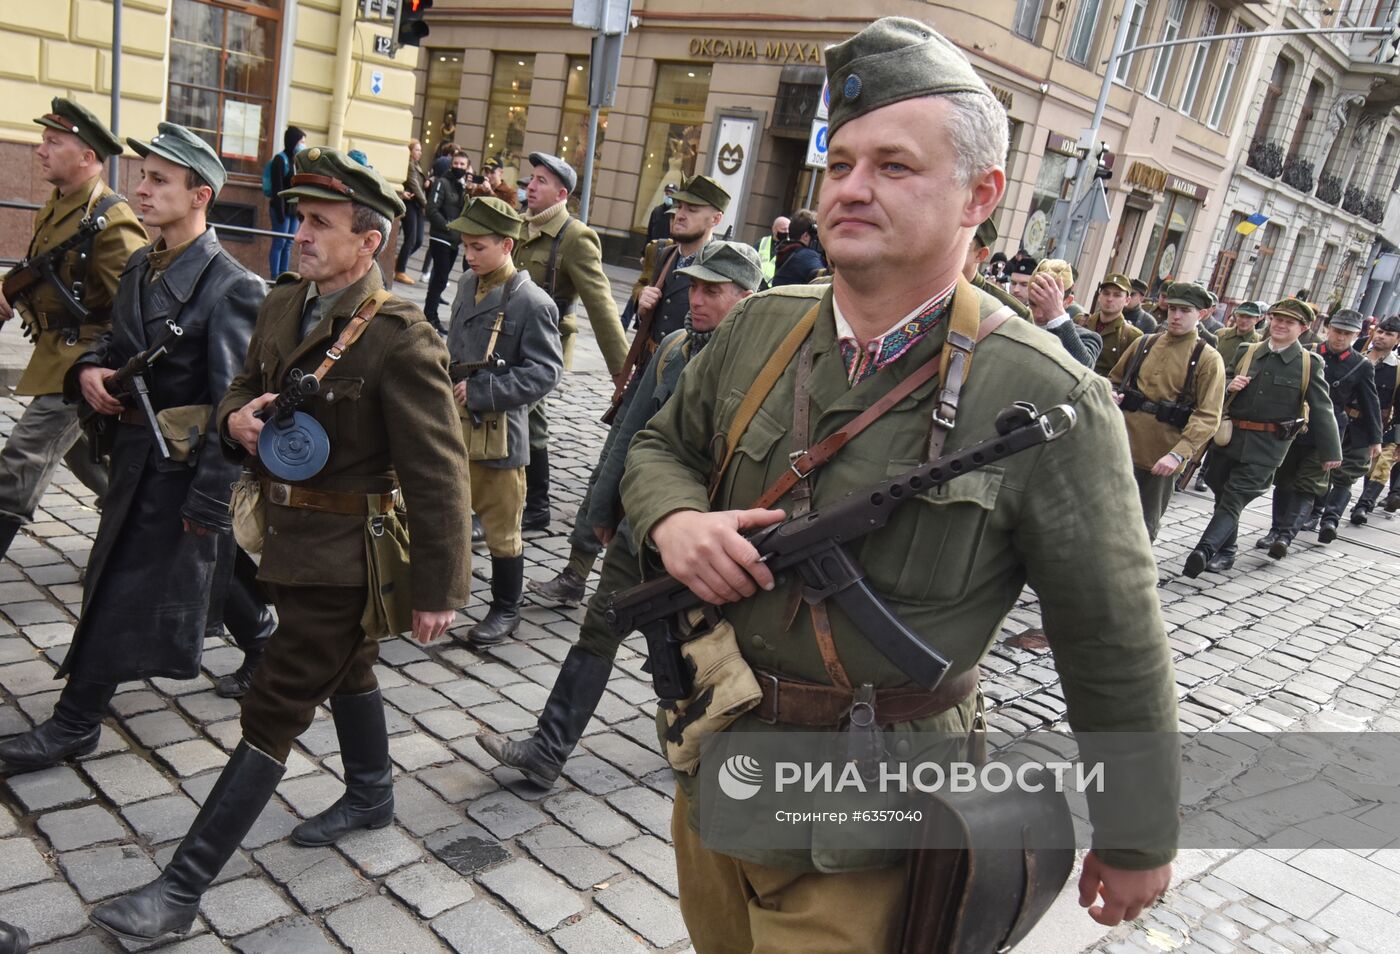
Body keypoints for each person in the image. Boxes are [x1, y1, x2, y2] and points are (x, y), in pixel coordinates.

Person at [620, 19, 1177, 949]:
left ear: (980, 194)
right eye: (839, 164)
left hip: (873, 816)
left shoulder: (1048, 396)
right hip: (717, 758)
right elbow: (658, 445)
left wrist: (1137, 833)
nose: (852, 188)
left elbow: (1111, 638)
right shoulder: (763, 327)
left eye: (894, 165)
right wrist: (676, 520)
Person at [87, 147, 472, 944]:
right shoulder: (284, 301)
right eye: (301, 219)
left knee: (274, 706)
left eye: (322, 225)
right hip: (283, 538)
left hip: (348, 558)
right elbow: (236, 386)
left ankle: (180, 889)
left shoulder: (400, 337)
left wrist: (441, 589)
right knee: (352, 667)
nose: (302, 234)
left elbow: (440, 476)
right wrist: (235, 420)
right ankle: (370, 793)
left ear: (370, 243)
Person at [0, 123, 268, 771]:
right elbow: (113, 344)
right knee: (215, 568)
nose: (139, 189)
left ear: (199, 195)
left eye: (157, 180)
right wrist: (91, 370)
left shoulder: (230, 287)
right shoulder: (145, 265)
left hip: (179, 467)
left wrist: (207, 504)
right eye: (142, 175)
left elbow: (231, 408)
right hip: (133, 456)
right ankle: (261, 642)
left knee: (117, 580)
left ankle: (76, 721)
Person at [484, 241, 763, 788]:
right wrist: (599, 513)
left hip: (709, 541)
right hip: (643, 527)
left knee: (701, 648)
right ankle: (547, 750)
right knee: (599, 628)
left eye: (713, 291)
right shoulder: (676, 348)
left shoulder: (759, 368)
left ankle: (712, 750)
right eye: (695, 287)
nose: (696, 300)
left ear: (746, 298)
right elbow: (629, 436)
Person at [527, 174, 729, 607]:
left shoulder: (722, 266)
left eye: (692, 210)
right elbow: (646, 317)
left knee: (648, 487)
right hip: (646, 381)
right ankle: (576, 571)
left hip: (684, 394)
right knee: (605, 473)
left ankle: (631, 588)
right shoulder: (664, 254)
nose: (680, 214)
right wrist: (642, 305)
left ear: (716, 218)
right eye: (679, 207)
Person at [0, 98, 147, 563]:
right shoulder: (62, 204)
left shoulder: (111, 221)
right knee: (87, 458)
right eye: (43, 140)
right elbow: (51, 273)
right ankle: (133, 533)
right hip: (54, 355)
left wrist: (99, 370)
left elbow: (139, 309)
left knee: (22, 458)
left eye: (53, 142)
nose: (40, 150)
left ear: (87, 157)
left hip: (80, 363)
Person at [446, 197, 562, 645]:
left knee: (501, 528)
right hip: (454, 425)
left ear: (507, 245)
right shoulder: (463, 285)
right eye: (465, 246)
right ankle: (444, 592)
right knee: (448, 513)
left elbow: (546, 370)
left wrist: (484, 391)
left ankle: (505, 607)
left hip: (499, 436)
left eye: (478, 247)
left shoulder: (531, 302)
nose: (469, 255)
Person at [513, 153, 629, 531]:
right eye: (531, 178)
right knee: (510, 413)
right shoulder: (520, 226)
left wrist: (620, 372)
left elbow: (602, 306)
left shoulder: (575, 237)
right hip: (510, 333)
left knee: (530, 413)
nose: (531, 185)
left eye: (542, 181)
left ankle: (537, 504)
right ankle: (509, 493)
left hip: (547, 339)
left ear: (562, 193)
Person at [1184, 298, 1340, 576]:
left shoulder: (1307, 363)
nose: (1280, 325)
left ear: (1303, 328)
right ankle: (1228, 550)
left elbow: (1322, 407)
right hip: (1229, 438)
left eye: (1289, 322)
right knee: (1220, 490)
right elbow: (1220, 383)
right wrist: (1230, 384)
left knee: (1234, 497)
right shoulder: (1248, 351)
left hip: (1268, 447)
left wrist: (1331, 453)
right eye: (1277, 319)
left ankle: (1204, 550)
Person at [1109, 282, 1225, 541]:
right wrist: (1111, 393)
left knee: (1141, 527)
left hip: (1161, 454)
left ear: (1202, 314)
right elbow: (1114, 379)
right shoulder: (1145, 343)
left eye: (1185, 310)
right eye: (1172, 308)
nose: (1176, 316)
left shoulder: (1207, 358)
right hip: (1121, 444)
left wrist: (1177, 455)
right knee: (1103, 515)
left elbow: (1208, 416)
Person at [1288, 309, 1381, 544]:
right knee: (1291, 479)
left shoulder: (1361, 365)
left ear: (1356, 335)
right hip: (1300, 424)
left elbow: (1371, 403)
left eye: (1347, 334)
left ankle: (1319, 523)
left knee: (1322, 478)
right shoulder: (1308, 353)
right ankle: (1300, 520)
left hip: (1333, 428)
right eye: (1337, 331)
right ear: (1328, 328)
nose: (1340, 337)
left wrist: (1375, 439)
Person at [1349, 314, 1399, 523]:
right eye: (1379, 331)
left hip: (1382, 425)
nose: (1381, 337)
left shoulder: (1397, 370)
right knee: (1343, 467)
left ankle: (1363, 506)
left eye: (1389, 334)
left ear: (1397, 340)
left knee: (1381, 466)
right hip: (1349, 419)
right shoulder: (1357, 356)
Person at [1025, 258, 1104, 368]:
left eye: (1046, 307)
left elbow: (1084, 368)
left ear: (1068, 301)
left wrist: (1057, 317)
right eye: (1033, 304)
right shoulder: (1017, 319)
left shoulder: (1087, 338)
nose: (1038, 314)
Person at [423, 150, 470, 332]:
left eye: (462, 165)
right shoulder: (442, 183)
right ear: (452, 164)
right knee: (440, 278)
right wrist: (448, 227)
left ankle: (430, 315)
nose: (458, 167)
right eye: (456, 163)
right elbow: (432, 209)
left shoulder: (462, 186)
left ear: (467, 167)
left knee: (440, 279)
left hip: (453, 241)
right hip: (440, 237)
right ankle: (430, 316)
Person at [1078, 273, 1144, 377]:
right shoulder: (1080, 321)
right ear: (1099, 296)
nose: (1109, 299)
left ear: (1127, 300)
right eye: (1106, 293)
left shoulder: (1132, 336)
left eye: (1117, 295)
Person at [267, 125, 305, 278]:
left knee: (289, 244)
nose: (303, 145)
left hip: (293, 210)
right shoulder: (280, 160)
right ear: (293, 141)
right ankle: (274, 277)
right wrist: (280, 211)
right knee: (279, 243)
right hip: (280, 209)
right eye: (301, 141)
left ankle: (283, 275)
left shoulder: (296, 161)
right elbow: (278, 189)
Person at [393, 139, 427, 285]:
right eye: (417, 150)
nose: (420, 152)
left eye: (420, 150)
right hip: (411, 204)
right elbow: (414, 185)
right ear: (410, 151)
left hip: (417, 205)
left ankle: (399, 260)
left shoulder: (416, 165)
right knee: (411, 238)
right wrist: (426, 203)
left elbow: (419, 183)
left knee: (419, 240)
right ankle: (400, 270)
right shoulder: (410, 166)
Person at [770, 209, 825, 286]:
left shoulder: (787, 250)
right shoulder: (806, 256)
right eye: (815, 236)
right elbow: (825, 282)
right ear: (805, 236)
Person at [756, 214, 790, 284]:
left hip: (774, 286)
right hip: (758, 282)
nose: (787, 232)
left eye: (788, 229)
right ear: (774, 229)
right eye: (783, 229)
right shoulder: (762, 242)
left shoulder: (790, 246)